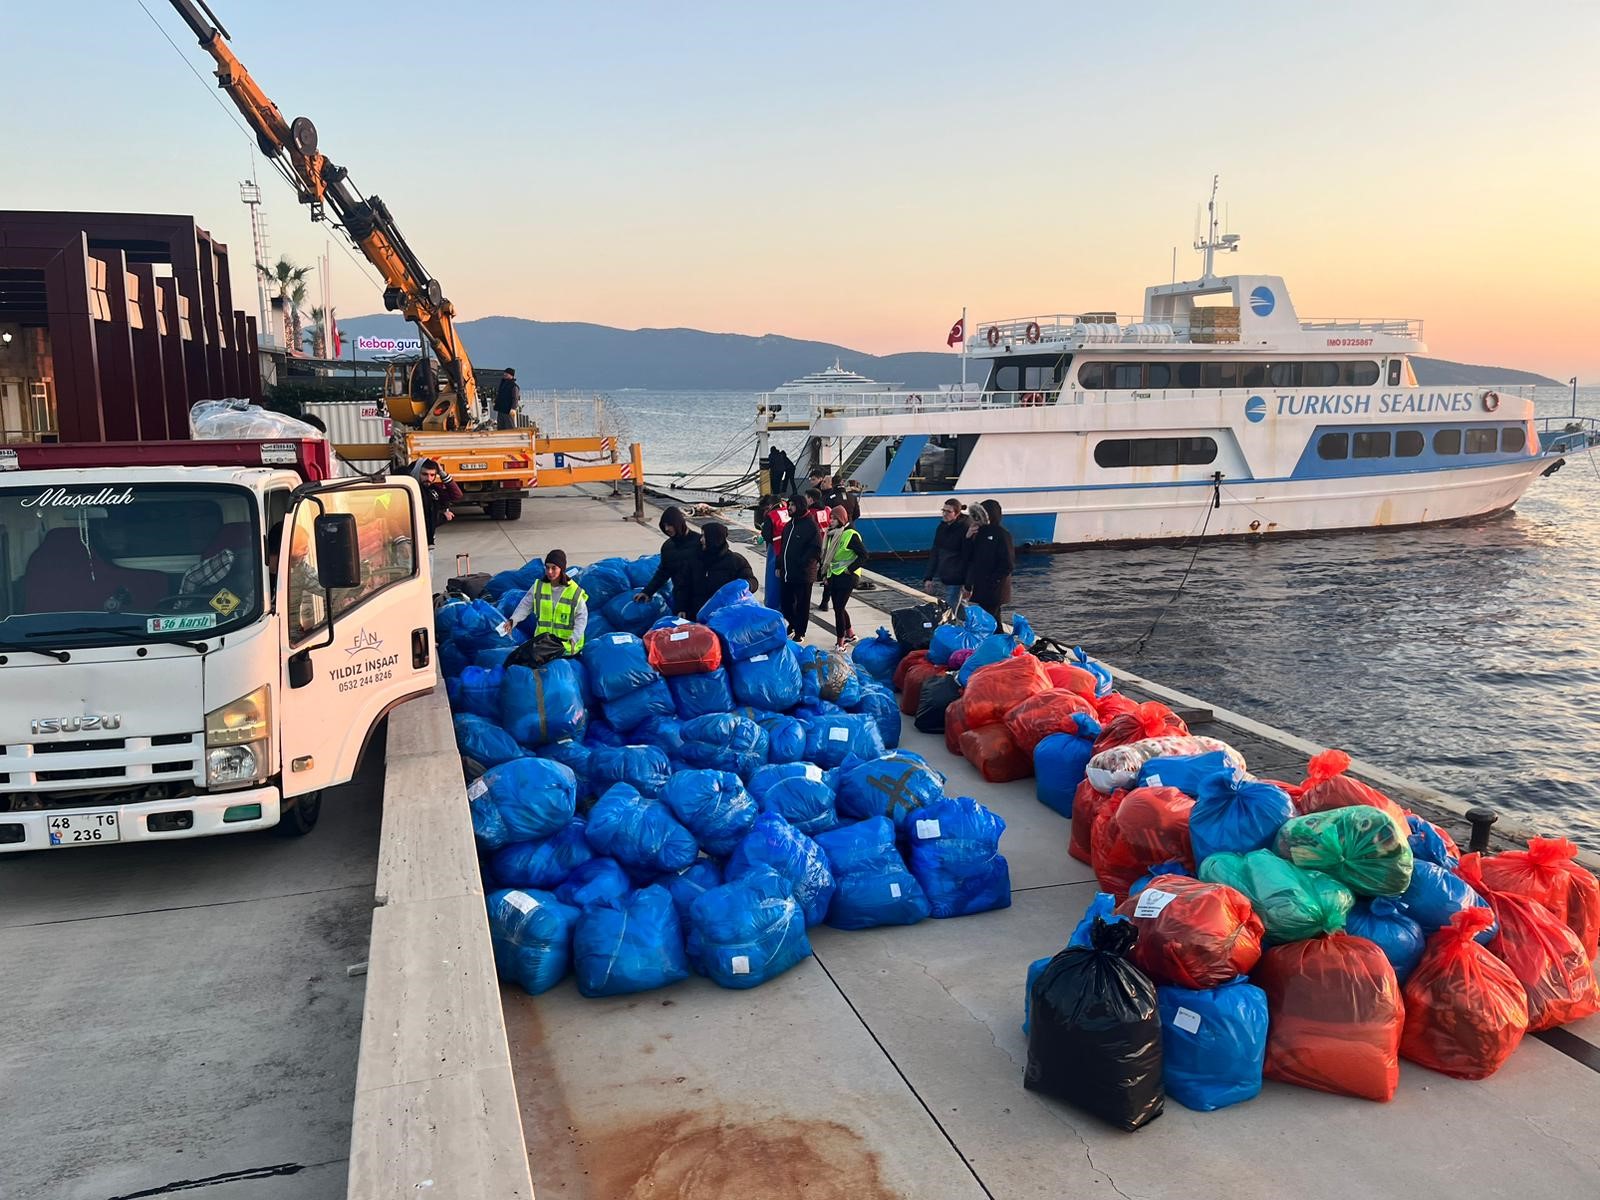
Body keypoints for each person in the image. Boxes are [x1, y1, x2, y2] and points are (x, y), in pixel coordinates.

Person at [505, 549, 588, 654]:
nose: (549, 572)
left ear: (561, 569)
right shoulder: (538, 587)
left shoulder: (574, 591)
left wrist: (574, 638)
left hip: (566, 646)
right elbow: (525, 606)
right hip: (543, 644)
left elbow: (582, 617)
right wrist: (513, 620)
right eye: (547, 567)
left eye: (554, 568)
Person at [681, 521, 757, 618]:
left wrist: (745, 585)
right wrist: (681, 607)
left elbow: (753, 582)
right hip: (696, 614)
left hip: (724, 617)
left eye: (704, 536)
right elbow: (683, 586)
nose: (701, 540)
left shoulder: (736, 561)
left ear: (713, 538)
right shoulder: (695, 559)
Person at [636, 506, 701, 617]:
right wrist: (648, 591)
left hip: (700, 598)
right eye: (664, 526)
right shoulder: (668, 547)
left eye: (670, 525)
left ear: (678, 524)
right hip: (680, 599)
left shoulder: (699, 543)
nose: (667, 529)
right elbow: (663, 572)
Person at [408, 458, 462, 588]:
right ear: (416, 473)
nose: (429, 478)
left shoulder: (433, 491)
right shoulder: (410, 491)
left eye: (433, 475)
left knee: (427, 582)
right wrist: (442, 516)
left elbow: (456, 495)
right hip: (411, 545)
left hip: (428, 544)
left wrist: (442, 473)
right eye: (425, 474)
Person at [820, 505, 867, 648]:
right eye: (830, 518)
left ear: (841, 519)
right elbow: (828, 558)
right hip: (834, 575)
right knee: (838, 607)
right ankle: (851, 634)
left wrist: (850, 569)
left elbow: (864, 555)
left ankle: (841, 642)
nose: (831, 521)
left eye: (834, 518)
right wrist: (824, 575)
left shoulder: (850, 534)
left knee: (839, 608)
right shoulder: (831, 534)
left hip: (847, 577)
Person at [777, 493, 822, 640]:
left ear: (800, 506)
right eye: (789, 505)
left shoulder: (811, 526)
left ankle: (800, 632)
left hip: (803, 574)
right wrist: (779, 565)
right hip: (786, 573)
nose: (789, 508)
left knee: (802, 605)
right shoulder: (789, 525)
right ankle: (792, 623)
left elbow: (815, 549)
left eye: (792, 505)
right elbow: (782, 547)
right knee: (786, 603)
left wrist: (802, 563)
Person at [963, 499, 1015, 622]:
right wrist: (968, 538)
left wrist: (993, 580)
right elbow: (969, 557)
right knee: (993, 620)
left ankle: (996, 639)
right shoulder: (979, 533)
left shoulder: (1002, 534)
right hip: (982, 586)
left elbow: (1008, 564)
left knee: (989, 619)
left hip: (995, 587)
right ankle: (998, 639)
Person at [922, 499, 972, 612]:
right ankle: (965, 626)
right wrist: (928, 577)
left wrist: (968, 583)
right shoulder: (942, 527)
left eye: (948, 511)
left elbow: (968, 557)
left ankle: (954, 627)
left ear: (957, 513)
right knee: (959, 609)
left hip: (957, 577)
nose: (944, 514)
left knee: (951, 609)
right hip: (945, 575)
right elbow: (935, 552)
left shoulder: (965, 528)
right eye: (943, 510)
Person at [756, 495, 788, 608]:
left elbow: (767, 535)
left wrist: (762, 536)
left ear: (769, 506)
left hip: (776, 549)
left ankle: (773, 605)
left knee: (773, 578)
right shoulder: (787, 510)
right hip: (790, 548)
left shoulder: (771, 516)